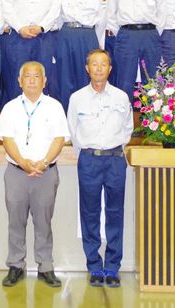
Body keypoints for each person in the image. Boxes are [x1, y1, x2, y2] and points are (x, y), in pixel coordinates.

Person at [0, 61, 69, 288]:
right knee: (15, 222)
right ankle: (16, 265)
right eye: (28, 76)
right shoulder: (10, 108)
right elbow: (7, 139)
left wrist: (43, 162)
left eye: (37, 76)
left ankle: (45, 267)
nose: (32, 80)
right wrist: (23, 163)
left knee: (43, 222)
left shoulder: (54, 107)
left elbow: (59, 139)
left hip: (46, 173)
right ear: (20, 81)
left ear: (45, 81)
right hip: (17, 173)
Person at [67, 49, 132, 288]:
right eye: (94, 64)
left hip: (115, 159)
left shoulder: (121, 97)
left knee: (115, 213)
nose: (98, 68)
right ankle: (94, 265)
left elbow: (127, 128)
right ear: (87, 68)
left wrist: (113, 148)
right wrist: (87, 153)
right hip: (89, 160)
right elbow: (73, 130)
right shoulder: (77, 98)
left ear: (110, 68)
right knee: (90, 213)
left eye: (103, 64)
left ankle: (113, 266)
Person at [1, 0, 61, 102]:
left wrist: (42, 27)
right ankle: (18, 115)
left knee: (45, 78)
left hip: (44, 37)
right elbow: (7, 9)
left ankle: (44, 115)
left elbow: (55, 8)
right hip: (18, 38)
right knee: (17, 79)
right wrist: (20, 27)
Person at [105, 0, 165, 97]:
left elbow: (163, 14)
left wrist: (154, 33)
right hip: (126, 35)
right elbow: (111, 16)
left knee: (152, 80)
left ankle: (151, 112)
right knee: (124, 79)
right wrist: (123, 34)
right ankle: (124, 112)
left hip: (150, 35)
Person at [56, 0, 107, 110]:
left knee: (86, 76)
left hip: (88, 35)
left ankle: (88, 113)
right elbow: (57, 17)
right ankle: (67, 115)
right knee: (65, 78)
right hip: (66, 34)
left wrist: (98, 44)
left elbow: (102, 19)